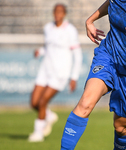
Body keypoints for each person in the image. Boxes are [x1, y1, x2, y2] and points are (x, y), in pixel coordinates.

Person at [61, 0, 126, 149]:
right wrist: (90, 20)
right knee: (85, 104)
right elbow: (111, 3)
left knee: (121, 126)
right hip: (109, 56)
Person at [28, 3, 82, 142]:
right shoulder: (48, 28)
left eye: (60, 11)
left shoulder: (70, 30)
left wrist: (74, 77)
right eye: (55, 11)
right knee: (34, 103)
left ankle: (38, 133)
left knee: (42, 101)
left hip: (60, 73)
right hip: (45, 69)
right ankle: (49, 116)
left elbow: (77, 54)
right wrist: (40, 51)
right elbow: (49, 48)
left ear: (64, 14)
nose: (57, 14)